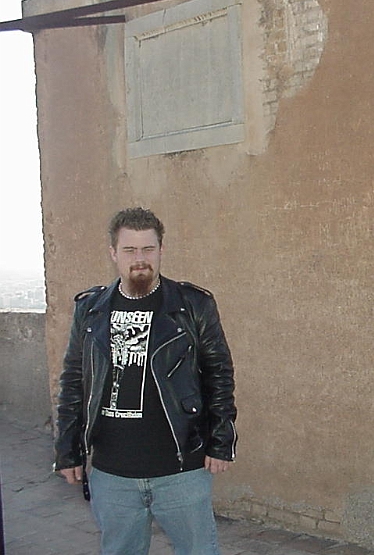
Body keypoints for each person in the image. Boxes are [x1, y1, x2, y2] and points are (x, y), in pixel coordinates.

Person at [54, 207, 237, 555]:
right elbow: (74, 382)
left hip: (181, 469)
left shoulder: (192, 305)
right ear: (113, 254)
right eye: (129, 250)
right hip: (112, 474)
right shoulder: (90, 310)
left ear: (161, 250)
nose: (140, 259)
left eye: (148, 249)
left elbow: (219, 373)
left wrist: (221, 440)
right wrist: (68, 450)